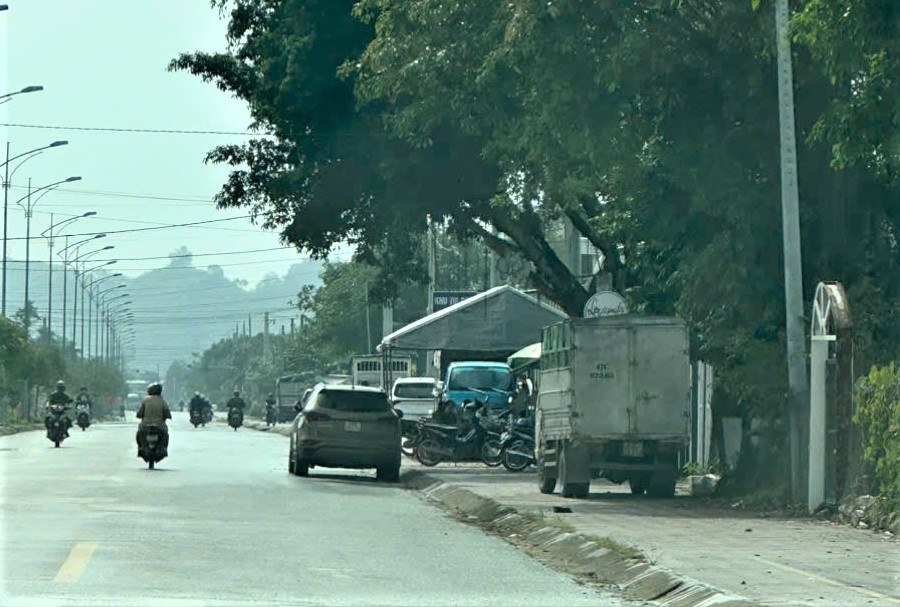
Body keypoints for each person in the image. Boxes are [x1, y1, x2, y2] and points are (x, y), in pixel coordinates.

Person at [136, 383, 171, 458]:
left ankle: (141, 447)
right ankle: (163, 448)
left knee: (139, 434)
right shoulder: (162, 401)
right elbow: (167, 412)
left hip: (145, 426)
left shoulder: (145, 400)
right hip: (160, 426)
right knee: (166, 435)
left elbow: (139, 413)